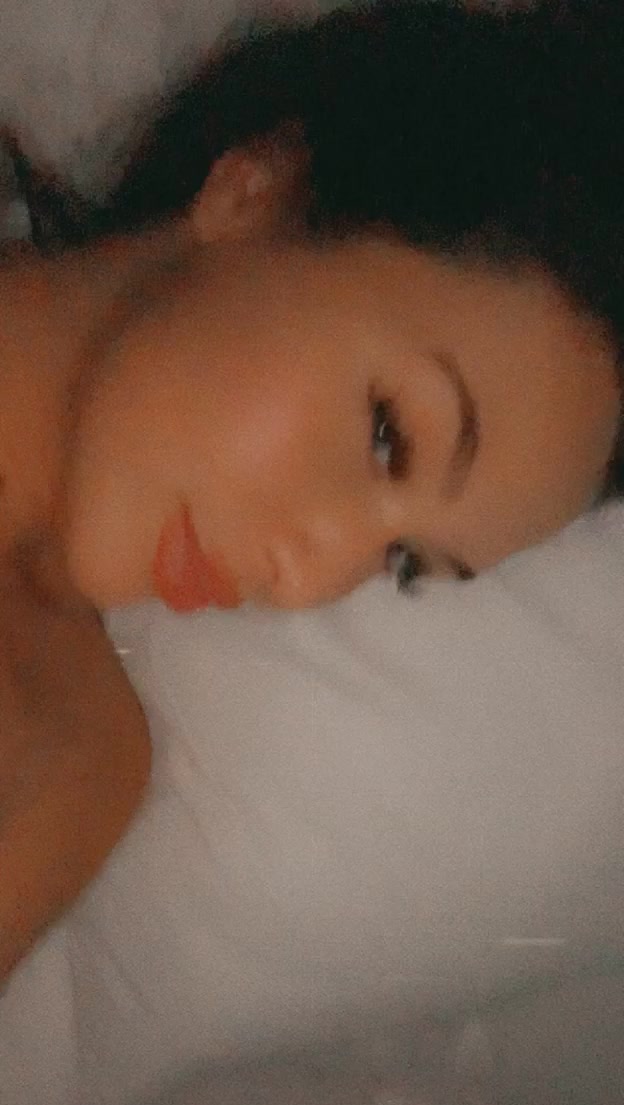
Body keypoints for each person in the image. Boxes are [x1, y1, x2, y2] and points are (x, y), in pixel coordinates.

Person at [0, 0, 622, 977]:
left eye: (402, 562)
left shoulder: (72, 755)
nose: (308, 579)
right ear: (259, 187)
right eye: (388, 436)